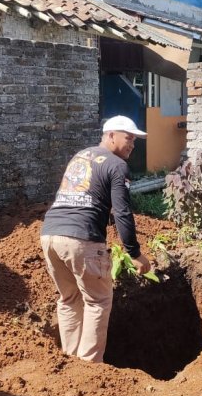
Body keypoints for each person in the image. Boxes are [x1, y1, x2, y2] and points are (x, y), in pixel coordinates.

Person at [40, 115, 151, 363]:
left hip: (50, 234)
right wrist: (134, 253)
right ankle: (89, 366)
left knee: (69, 299)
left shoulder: (81, 156)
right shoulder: (116, 165)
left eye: (134, 140)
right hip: (82, 239)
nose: (132, 144)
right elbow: (122, 212)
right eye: (128, 138)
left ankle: (70, 359)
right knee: (98, 301)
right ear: (110, 135)